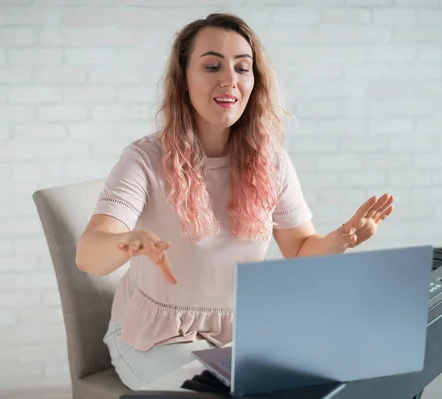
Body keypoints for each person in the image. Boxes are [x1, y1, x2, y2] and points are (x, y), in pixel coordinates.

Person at [75, 12, 395, 391]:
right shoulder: (144, 159)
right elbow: (88, 254)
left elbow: (300, 248)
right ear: (183, 82)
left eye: (242, 68)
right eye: (212, 66)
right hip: (153, 339)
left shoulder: (270, 160)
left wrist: (342, 238)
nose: (229, 79)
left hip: (237, 337)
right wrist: (126, 243)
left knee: (341, 370)